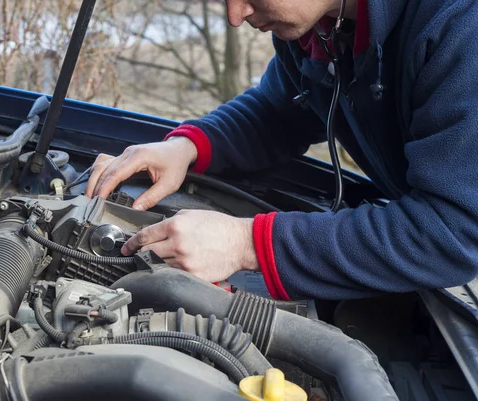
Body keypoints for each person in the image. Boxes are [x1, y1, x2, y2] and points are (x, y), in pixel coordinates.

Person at [85, 0, 478, 301]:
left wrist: (247, 244)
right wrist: (186, 147)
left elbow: (451, 231)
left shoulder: (462, 27)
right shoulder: (318, 26)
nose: (236, 15)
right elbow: (280, 111)